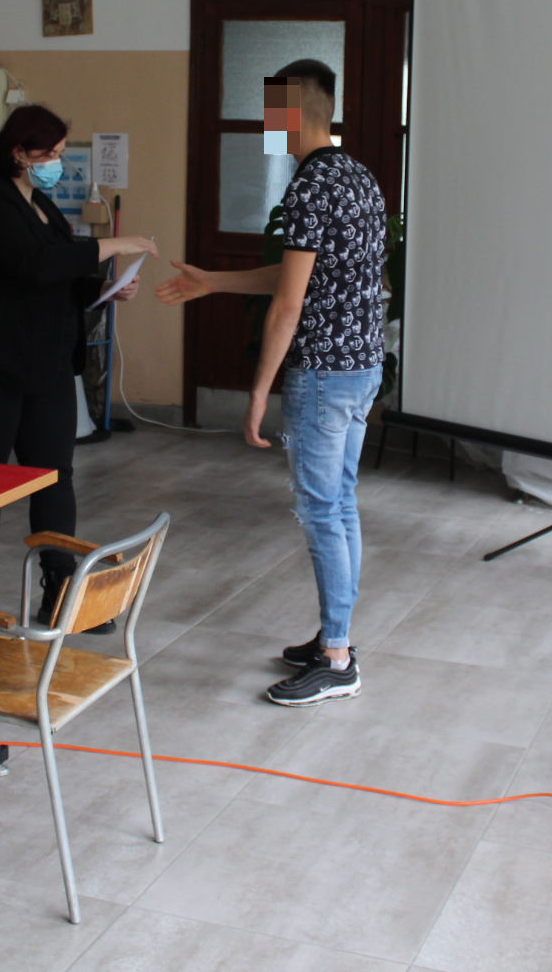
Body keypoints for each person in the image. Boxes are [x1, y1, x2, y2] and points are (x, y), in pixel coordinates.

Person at [157, 60, 387, 706]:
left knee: (321, 510)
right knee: (339, 503)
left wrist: (260, 390)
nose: (266, 127)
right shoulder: (359, 176)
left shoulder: (311, 185)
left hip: (324, 376)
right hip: (362, 369)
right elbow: (297, 275)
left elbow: (289, 305)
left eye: (269, 115)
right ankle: (335, 640)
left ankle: (337, 659)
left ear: (291, 114)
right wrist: (213, 281)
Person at [0, 104, 158, 627]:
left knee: (54, 476)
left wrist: (105, 287)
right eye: (48, 154)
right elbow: (34, 266)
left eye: (60, 153)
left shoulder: (39, 202)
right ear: (18, 153)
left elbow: (57, 273)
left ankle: (59, 592)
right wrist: (114, 244)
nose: (57, 163)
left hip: (40, 361)